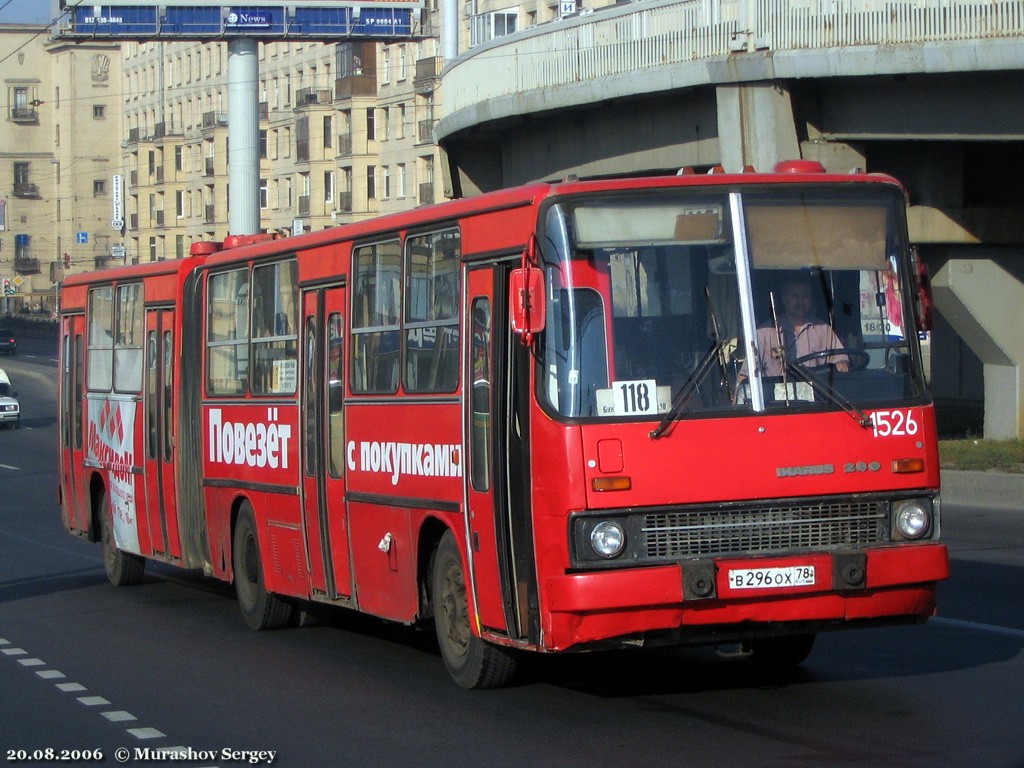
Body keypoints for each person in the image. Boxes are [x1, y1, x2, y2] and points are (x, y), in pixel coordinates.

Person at [741, 278, 848, 380]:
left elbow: (841, 360)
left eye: (805, 296)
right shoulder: (764, 332)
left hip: (818, 395)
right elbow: (745, 375)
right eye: (795, 296)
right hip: (778, 396)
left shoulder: (824, 330)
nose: (800, 301)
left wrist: (842, 364)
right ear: (784, 298)